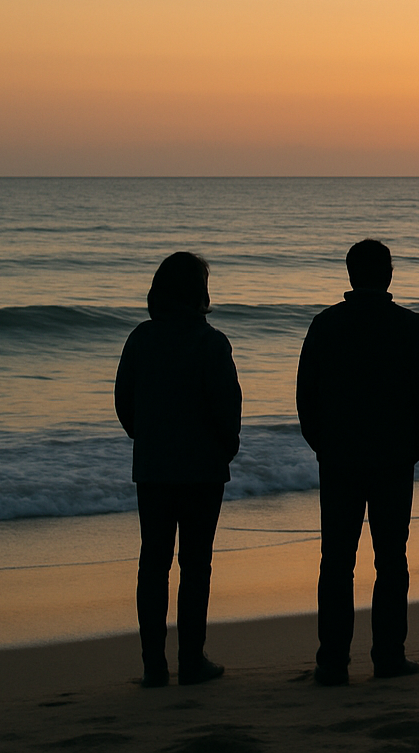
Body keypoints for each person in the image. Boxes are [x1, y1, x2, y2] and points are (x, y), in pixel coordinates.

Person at [297, 238, 419, 686]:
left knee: (336, 562)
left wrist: (321, 444)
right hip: (393, 456)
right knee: (391, 560)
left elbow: (306, 395)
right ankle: (388, 656)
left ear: (349, 274)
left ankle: (333, 661)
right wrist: (413, 447)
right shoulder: (410, 326)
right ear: (389, 276)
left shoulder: (326, 324)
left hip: (340, 456)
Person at [115, 251, 242, 687]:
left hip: (153, 466)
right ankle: (191, 659)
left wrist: (146, 437)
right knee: (195, 564)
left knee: (153, 564)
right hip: (203, 468)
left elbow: (123, 403)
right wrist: (227, 447)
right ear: (199, 293)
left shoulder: (141, 339)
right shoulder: (210, 342)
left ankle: (154, 664)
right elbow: (227, 406)